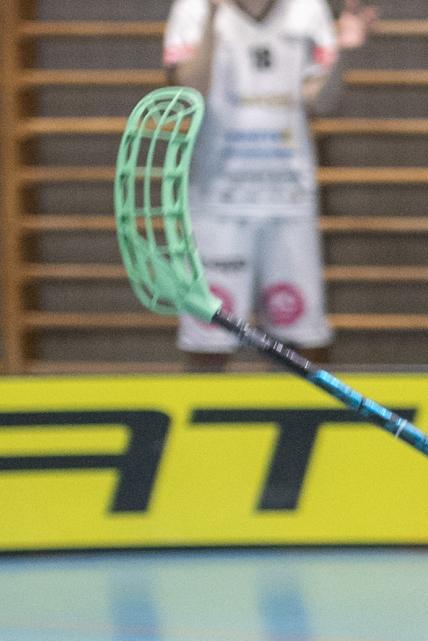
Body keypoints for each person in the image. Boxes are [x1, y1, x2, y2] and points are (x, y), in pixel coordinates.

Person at [165, 0, 374, 370]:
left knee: (302, 344)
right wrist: (213, 16)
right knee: (208, 344)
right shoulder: (193, 8)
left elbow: (321, 101)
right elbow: (188, 90)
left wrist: (343, 51)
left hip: (288, 199)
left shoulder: (308, 9)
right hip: (217, 203)